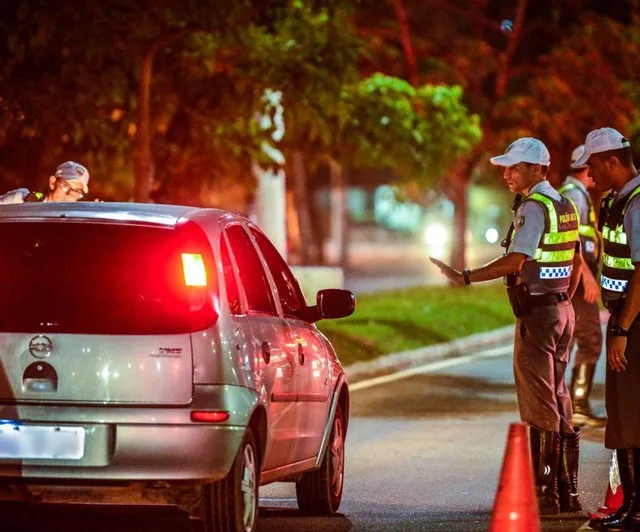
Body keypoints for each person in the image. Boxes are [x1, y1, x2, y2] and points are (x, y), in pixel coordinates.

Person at [430, 137, 583, 514]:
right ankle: (568, 491)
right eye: (506, 167)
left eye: (514, 167)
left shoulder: (534, 207)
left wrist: (465, 276)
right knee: (558, 395)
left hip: (538, 316)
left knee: (538, 402)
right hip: (562, 311)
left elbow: (516, 261)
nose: (506, 174)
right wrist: (563, 300)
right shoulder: (564, 204)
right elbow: (577, 261)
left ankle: (545, 492)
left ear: (537, 169)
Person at [575, 128, 640, 531]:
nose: (590, 174)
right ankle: (629, 504)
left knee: (631, 415)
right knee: (621, 416)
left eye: (594, 165)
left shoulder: (636, 203)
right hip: (624, 318)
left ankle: (635, 509)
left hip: (633, 323)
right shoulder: (618, 200)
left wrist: (622, 329)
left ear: (613, 161)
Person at [559, 145, 606, 427]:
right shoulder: (575, 194)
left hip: (573, 278)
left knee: (573, 340)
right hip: (578, 280)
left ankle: (570, 403)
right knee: (590, 339)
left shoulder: (571, 193)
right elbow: (573, 239)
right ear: (588, 168)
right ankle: (577, 404)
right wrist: (588, 275)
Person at [0, 161, 90, 204]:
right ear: (52, 182)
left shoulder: (77, 223)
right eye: (66, 186)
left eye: (76, 191)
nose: (69, 195)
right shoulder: (21, 200)